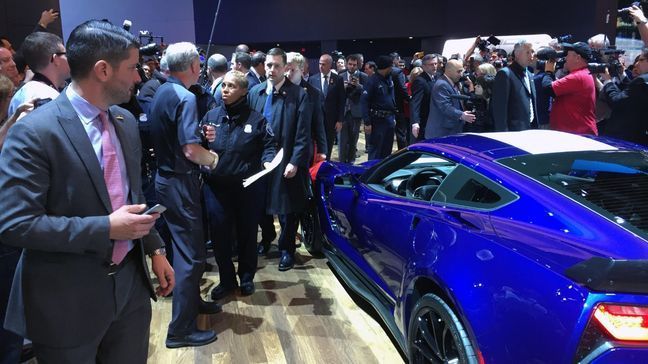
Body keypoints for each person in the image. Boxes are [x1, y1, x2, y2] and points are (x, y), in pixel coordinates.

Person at [0, 19, 174, 363]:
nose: (139, 77)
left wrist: (154, 249)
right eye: (132, 68)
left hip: (130, 291)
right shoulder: (34, 132)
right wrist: (107, 228)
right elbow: (15, 224)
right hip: (66, 300)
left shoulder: (124, 124)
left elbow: (130, 197)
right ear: (103, 70)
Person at [149, 42, 222, 349]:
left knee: (187, 249)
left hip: (166, 179)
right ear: (193, 66)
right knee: (190, 256)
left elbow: (178, 136)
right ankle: (180, 329)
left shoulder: (163, 91)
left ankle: (192, 304)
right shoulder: (185, 96)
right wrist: (214, 159)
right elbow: (190, 151)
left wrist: (199, 135)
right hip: (180, 182)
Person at [202, 71, 276, 300]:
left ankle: (246, 278)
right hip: (216, 187)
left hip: (247, 187)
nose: (224, 89)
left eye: (231, 86)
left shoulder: (257, 119)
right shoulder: (210, 116)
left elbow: (270, 145)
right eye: (223, 85)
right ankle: (226, 280)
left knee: (247, 234)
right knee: (220, 236)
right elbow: (197, 144)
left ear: (243, 91)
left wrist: (267, 159)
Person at [248, 48, 311, 271]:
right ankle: (266, 239)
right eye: (268, 65)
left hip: (285, 160)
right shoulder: (255, 92)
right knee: (260, 204)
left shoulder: (299, 94)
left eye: (276, 65)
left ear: (285, 68)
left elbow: (303, 133)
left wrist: (295, 160)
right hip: (259, 161)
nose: (271, 69)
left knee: (286, 208)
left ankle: (286, 249)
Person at [8, 32, 69, 118]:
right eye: (65, 54)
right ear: (56, 59)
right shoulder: (47, 99)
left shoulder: (19, 94)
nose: (69, 58)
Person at [541, 42, 597, 135]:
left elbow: (548, 89)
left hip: (578, 134)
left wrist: (549, 71)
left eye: (568, 55)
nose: (565, 58)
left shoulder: (578, 76)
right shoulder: (583, 73)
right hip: (576, 132)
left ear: (578, 58)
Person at [599, 48, 648, 146]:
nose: (636, 64)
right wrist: (622, 74)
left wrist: (607, 81)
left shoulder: (641, 81)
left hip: (623, 138)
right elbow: (632, 93)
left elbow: (617, 101)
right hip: (638, 136)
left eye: (641, 60)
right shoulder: (643, 81)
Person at [491, 40, 538, 131]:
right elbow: (499, 109)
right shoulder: (505, 74)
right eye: (527, 52)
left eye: (532, 52)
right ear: (517, 54)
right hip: (513, 131)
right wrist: (504, 134)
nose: (531, 55)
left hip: (531, 128)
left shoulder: (529, 74)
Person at [425, 59, 476, 138]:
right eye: (458, 72)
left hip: (451, 131)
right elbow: (444, 106)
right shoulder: (441, 85)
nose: (461, 74)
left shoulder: (452, 82)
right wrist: (461, 115)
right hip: (441, 133)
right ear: (449, 71)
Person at [308, 54, 345, 161]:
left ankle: (326, 164)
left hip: (331, 120)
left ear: (330, 65)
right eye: (320, 64)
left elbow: (341, 101)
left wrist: (340, 120)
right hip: (316, 120)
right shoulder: (312, 79)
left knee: (328, 145)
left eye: (323, 64)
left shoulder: (338, 80)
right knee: (316, 146)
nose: (320, 66)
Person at [361, 55, 397, 160]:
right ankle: (372, 174)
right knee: (376, 151)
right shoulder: (372, 81)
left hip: (389, 120)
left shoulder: (389, 79)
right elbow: (364, 102)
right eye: (391, 66)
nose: (392, 69)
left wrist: (393, 117)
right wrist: (367, 122)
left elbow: (391, 98)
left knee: (387, 151)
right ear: (387, 67)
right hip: (377, 121)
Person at [338, 54, 368, 163]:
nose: (351, 67)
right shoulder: (340, 75)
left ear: (358, 65)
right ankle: (341, 164)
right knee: (342, 141)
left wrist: (359, 86)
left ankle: (351, 163)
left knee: (353, 140)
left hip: (356, 112)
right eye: (350, 64)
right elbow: (336, 93)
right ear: (346, 64)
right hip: (343, 112)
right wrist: (343, 87)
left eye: (354, 65)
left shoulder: (363, 76)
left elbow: (367, 93)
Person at [410, 54, 439, 141]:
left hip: (435, 119)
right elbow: (415, 102)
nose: (434, 66)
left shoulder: (437, 77)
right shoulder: (420, 81)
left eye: (435, 64)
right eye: (431, 64)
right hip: (424, 121)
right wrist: (415, 122)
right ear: (424, 66)